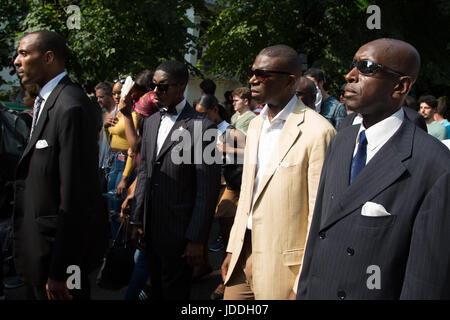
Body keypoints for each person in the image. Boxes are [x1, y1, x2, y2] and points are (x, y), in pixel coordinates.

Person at [296, 38, 450, 300]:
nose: (350, 76)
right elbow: (319, 233)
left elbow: (426, 280)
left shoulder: (434, 164)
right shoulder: (341, 141)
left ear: (400, 86)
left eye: (366, 67)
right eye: (353, 65)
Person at [221, 45, 336, 300]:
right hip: (243, 254)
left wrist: (304, 279)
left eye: (263, 74)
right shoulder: (256, 126)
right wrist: (232, 249)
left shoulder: (319, 132)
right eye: (252, 72)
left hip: (284, 269)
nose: (252, 79)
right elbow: (248, 194)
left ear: (290, 81)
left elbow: (321, 216)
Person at [13, 30, 108, 300]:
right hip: (42, 253)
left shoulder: (71, 106)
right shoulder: (47, 101)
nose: (16, 62)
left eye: (23, 53)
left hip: (60, 262)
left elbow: (77, 196)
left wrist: (63, 270)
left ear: (49, 57)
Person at [131, 60, 221, 300]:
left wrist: (196, 239)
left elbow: (207, 189)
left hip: (180, 232)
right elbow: (143, 174)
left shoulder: (203, 128)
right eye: (153, 86)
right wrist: (136, 218)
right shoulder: (150, 123)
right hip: (150, 227)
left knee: (176, 292)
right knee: (154, 290)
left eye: (163, 87)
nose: (155, 92)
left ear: (181, 87)